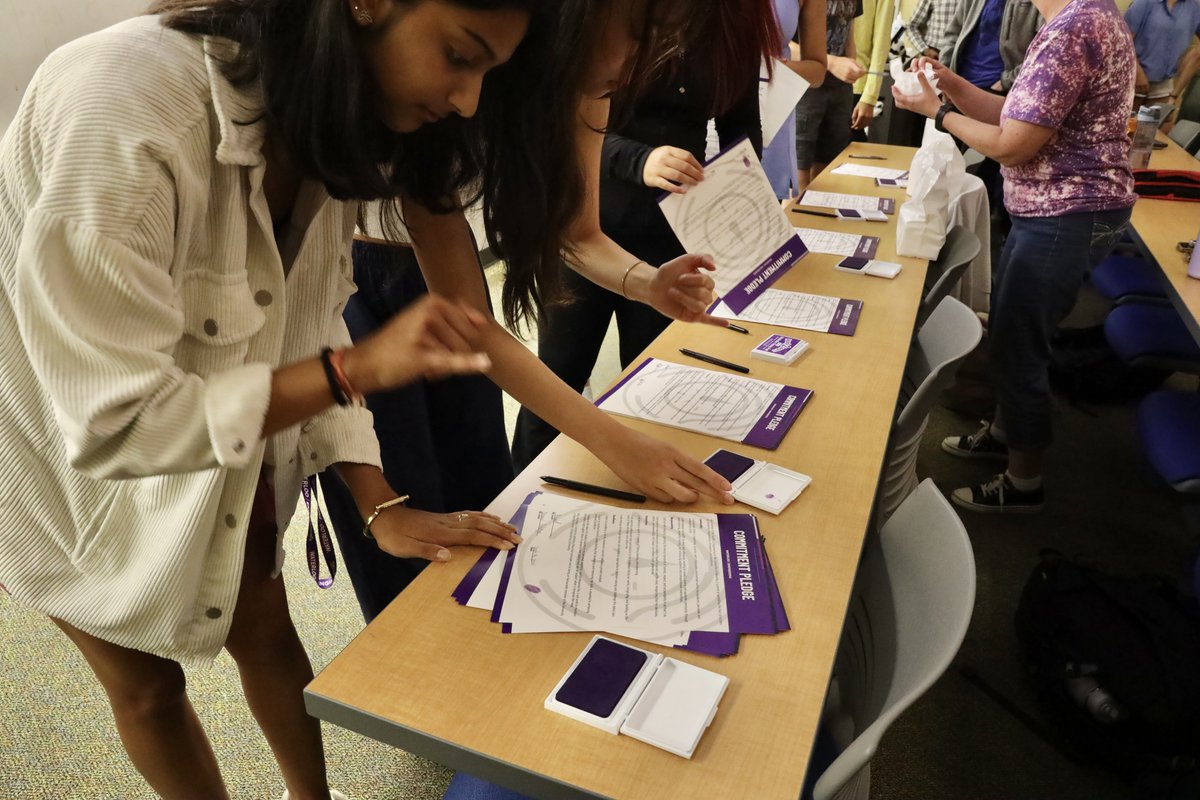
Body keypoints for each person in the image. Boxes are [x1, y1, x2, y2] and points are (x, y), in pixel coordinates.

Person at [0, 0, 741, 796]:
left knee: (260, 610)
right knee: (146, 685)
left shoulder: (331, 119)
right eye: (461, 57)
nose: (467, 102)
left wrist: (379, 500)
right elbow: (120, 419)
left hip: (197, 394)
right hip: (49, 433)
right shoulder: (123, 103)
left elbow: (307, 332)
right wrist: (355, 372)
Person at [317, 0, 781, 623]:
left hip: (440, 298)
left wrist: (647, 283)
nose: (635, 65)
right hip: (355, 282)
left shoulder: (568, 83)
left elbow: (578, 235)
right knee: (405, 537)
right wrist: (613, 442)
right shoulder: (435, 79)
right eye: (638, 35)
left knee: (487, 513)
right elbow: (462, 319)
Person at [893, 0, 1136, 513]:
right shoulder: (1074, 19)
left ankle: (1024, 482)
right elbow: (1016, 114)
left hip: (1066, 211)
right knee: (1009, 330)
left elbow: (1010, 144)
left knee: (1020, 345)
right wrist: (951, 83)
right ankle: (1007, 431)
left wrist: (937, 113)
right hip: (1052, 208)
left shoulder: (1074, 28)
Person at [510, 5, 775, 469]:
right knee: (556, 382)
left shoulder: (734, 24)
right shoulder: (594, 38)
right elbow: (572, 120)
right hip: (596, 214)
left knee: (652, 389)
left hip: (667, 236)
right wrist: (639, 160)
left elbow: (741, 135)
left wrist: (750, 223)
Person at [793, 0, 867, 192]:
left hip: (839, 89)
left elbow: (849, 34)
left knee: (830, 166)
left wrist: (852, 64)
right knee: (799, 169)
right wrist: (832, 63)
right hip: (804, 87)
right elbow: (782, 48)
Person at [762, 0, 828, 199]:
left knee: (761, 218)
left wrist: (774, 67)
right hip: (705, 118)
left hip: (770, 119)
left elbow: (818, 71)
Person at [1125, 0, 1200, 109]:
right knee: (1126, 123)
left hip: (1163, 85)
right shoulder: (1143, 3)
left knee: (1156, 125)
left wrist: (1175, 93)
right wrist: (1138, 73)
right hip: (1133, 78)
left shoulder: (1194, 8)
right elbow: (1123, 42)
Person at [849, 0, 896, 141]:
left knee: (850, 145)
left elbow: (881, 40)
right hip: (816, 76)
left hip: (855, 82)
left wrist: (870, 97)